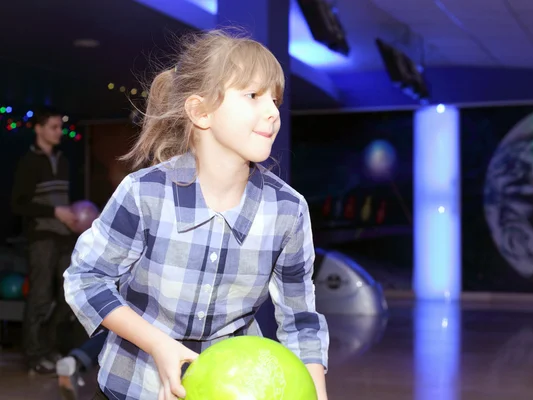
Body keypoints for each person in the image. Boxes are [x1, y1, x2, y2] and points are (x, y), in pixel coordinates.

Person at [64, 29, 330, 400]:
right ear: (200, 112)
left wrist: (317, 393)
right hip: (134, 387)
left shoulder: (288, 209)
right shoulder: (146, 192)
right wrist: (159, 344)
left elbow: (301, 323)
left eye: (275, 99)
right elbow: (86, 279)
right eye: (253, 96)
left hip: (233, 390)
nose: (272, 112)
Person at [11, 106, 79, 374]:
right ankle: (34, 354)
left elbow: (61, 201)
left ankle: (50, 347)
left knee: (67, 296)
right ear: (39, 129)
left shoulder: (63, 160)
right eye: (52, 127)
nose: (58, 131)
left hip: (64, 237)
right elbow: (18, 205)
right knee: (39, 297)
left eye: (59, 126)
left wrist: (70, 214)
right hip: (41, 238)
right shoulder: (28, 163)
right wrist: (54, 212)